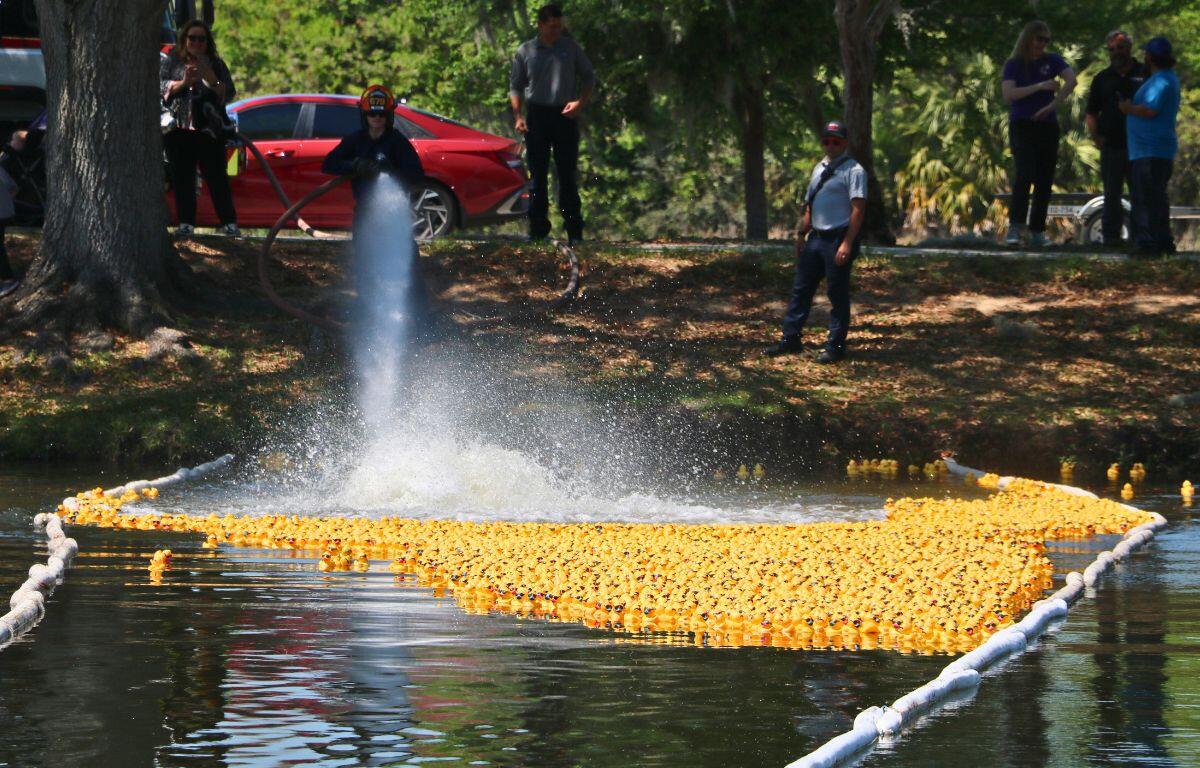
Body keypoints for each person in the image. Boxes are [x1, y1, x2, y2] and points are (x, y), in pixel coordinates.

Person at [321, 85, 429, 321]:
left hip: (394, 216)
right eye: (372, 114)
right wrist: (354, 165)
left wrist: (392, 171)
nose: (376, 118)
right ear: (364, 115)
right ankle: (367, 311)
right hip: (365, 215)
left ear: (389, 115)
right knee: (364, 261)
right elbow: (328, 163)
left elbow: (417, 176)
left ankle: (420, 315)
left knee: (408, 262)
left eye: (381, 114)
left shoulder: (398, 143)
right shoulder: (355, 141)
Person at [765, 120, 866, 364]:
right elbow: (811, 204)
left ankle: (835, 346)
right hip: (815, 239)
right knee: (801, 290)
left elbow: (858, 209)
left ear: (844, 143)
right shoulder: (819, 168)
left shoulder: (854, 170)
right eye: (827, 141)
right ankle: (790, 340)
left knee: (836, 294)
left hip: (837, 238)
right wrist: (801, 234)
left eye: (836, 141)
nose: (831, 145)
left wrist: (847, 243)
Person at [509, 3, 595, 245]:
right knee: (537, 175)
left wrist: (580, 103)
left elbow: (589, 77)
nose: (557, 31)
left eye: (560, 27)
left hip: (565, 115)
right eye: (552, 27)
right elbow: (516, 85)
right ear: (541, 25)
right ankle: (538, 229)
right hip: (537, 116)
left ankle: (574, 230)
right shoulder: (526, 51)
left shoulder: (570, 48)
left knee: (567, 175)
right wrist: (518, 116)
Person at [160, 19, 239, 238]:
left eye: (201, 38)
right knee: (182, 178)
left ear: (207, 42)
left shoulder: (216, 63)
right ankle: (186, 224)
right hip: (178, 131)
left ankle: (229, 224)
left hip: (210, 132)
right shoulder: (172, 61)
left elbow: (229, 93)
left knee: (217, 178)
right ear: (184, 40)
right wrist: (183, 82)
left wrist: (211, 79)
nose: (196, 42)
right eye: (192, 38)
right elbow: (160, 88)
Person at [1001, 20, 1076, 247]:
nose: (1042, 44)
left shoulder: (1052, 60)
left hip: (1047, 126)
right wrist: (1040, 86)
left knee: (1044, 178)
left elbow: (1071, 80)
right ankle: (1015, 227)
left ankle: (1037, 231)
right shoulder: (1014, 64)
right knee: (1025, 174)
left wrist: (1054, 105)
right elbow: (1009, 94)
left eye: (1046, 40)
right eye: (1038, 39)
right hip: (1022, 125)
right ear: (1028, 39)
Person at [1119, 36, 1180, 258]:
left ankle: (1146, 244)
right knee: (1156, 196)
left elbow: (1150, 110)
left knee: (1144, 198)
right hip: (1151, 149)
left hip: (1150, 150)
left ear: (1151, 57)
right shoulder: (1164, 78)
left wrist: (1128, 108)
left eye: (1146, 53)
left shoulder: (1161, 81)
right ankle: (1163, 241)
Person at [1084, 31, 1146, 246]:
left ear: (1129, 47)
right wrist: (1096, 137)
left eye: (1120, 47)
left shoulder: (1145, 73)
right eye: (1111, 49)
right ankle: (1111, 238)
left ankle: (1141, 237)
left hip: (1140, 145)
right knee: (1112, 194)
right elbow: (1091, 113)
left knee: (1140, 192)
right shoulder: (1102, 78)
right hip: (1112, 145)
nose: (1116, 53)